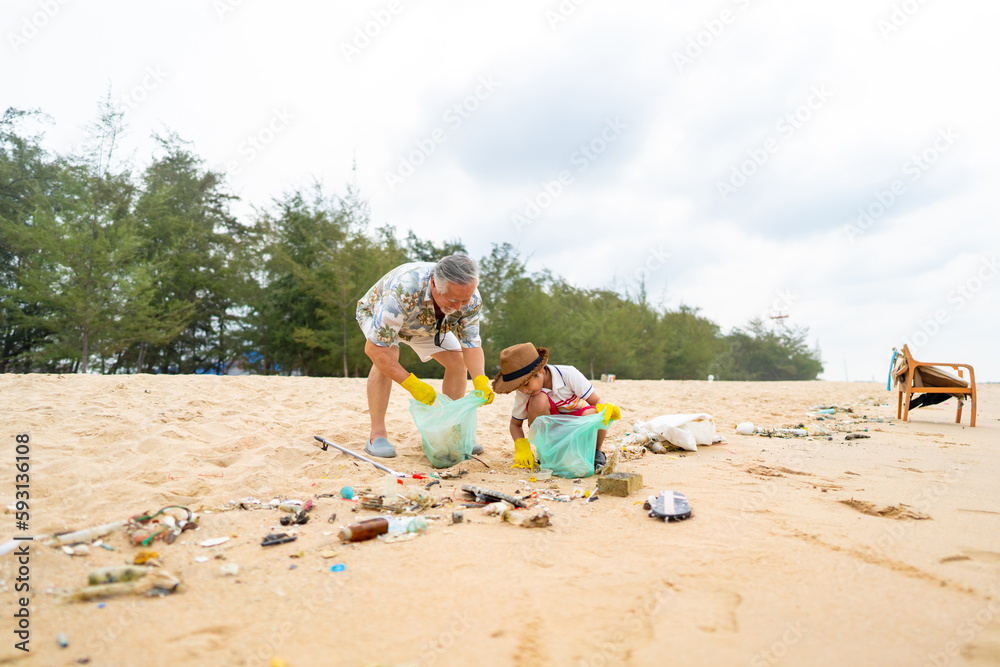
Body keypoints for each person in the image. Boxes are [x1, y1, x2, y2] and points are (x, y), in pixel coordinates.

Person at [356, 253, 494, 458]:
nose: (458, 308)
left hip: (428, 325)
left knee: (457, 361)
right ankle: (377, 436)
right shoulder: (404, 289)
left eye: (464, 300)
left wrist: (480, 379)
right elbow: (375, 349)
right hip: (381, 315)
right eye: (453, 299)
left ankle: (450, 434)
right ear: (434, 285)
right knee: (388, 353)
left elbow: (471, 344)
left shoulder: (470, 299)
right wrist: (412, 384)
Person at [490, 342, 620, 470]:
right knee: (538, 399)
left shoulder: (568, 374)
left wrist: (607, 408)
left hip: (578, 427)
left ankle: (596, 452)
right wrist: (521, 448)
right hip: (553, 434)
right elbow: (515, 424)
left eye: (526, 384)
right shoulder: (524, 392)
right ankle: (549, 454)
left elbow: (596, 401)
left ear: (540, 370)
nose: (523, 391)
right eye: (518, 387)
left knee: (598, 413)